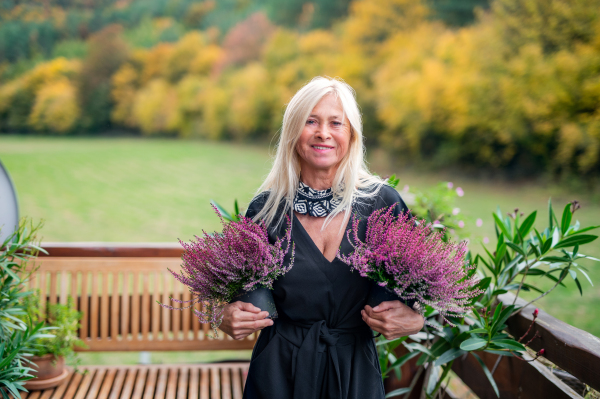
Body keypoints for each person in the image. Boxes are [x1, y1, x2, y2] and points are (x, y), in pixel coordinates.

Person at [220, 76, 425, 399]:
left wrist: (417, 320)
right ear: (292, 133)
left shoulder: (382, 205)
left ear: (351, 135)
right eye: (310, 121)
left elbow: (428, 294)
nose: (323, 133)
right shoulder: (265, 210)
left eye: (335, 123)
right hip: (279, 372)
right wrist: (224, 316)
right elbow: (236, 299)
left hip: (354, 370)